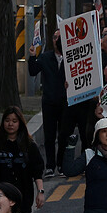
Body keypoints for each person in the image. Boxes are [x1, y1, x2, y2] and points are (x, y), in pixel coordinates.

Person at [0, 105, 46, 213]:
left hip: (23, 197)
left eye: (14, 121)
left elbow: (37, 171)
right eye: (7, 120)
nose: (10, 124)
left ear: (20, 123)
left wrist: (40, 192)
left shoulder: (29, 145)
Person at [29, 30, 68, 178]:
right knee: (49, 136)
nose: (58, 40)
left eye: (61, 37)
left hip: (66, 103)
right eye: (55, 37)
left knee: (63, 134)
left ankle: (61, 164)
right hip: (49, 102)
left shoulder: (71, 58)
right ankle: (50, 166)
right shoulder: (45, 57)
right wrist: (32, 56)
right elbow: (33, 71)